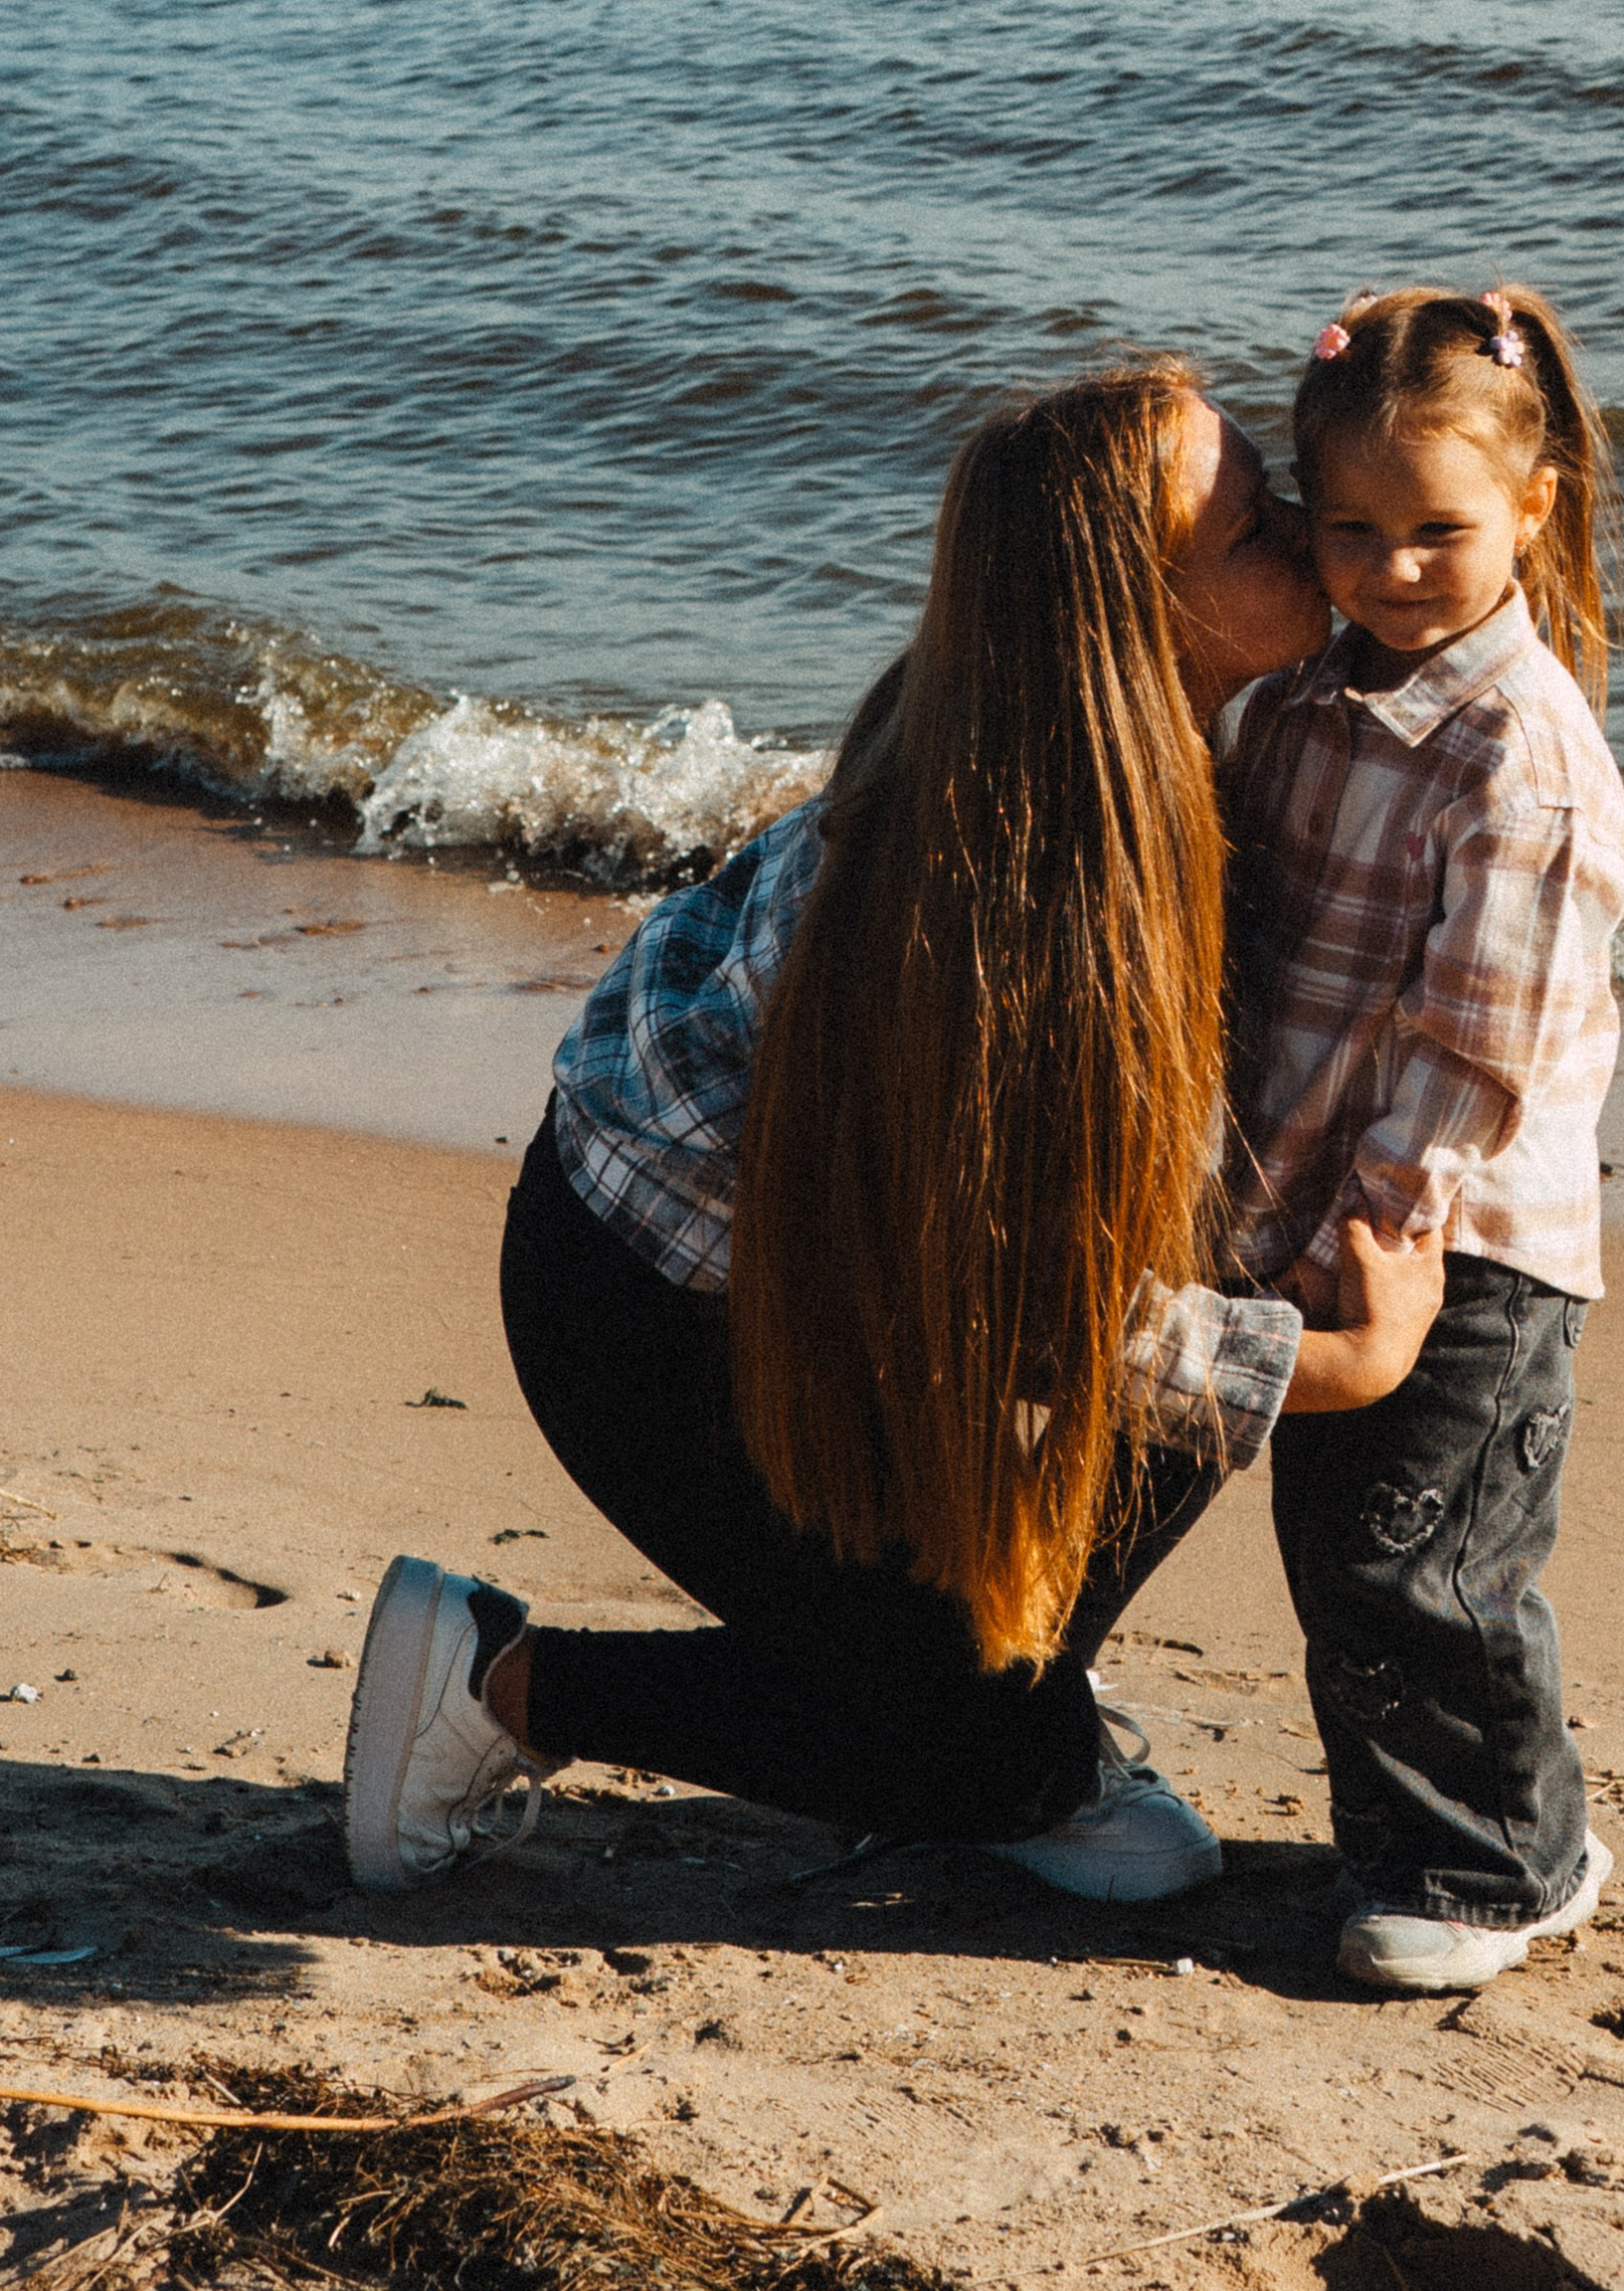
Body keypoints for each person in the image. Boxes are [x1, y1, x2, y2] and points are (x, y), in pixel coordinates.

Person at [344, 360, 1448, 1905]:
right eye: (1263, 527)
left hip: (833, 1285)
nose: (1322, 548)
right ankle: (497, 1679)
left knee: (1191, 1376)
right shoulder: (1002, 901)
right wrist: (1340, 1368)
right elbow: (1023, 1311)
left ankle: (1002, 1702)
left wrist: (1442, 357)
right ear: (1143, 616)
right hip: (648, 1320)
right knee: (981, 1754)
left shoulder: (1109, 763)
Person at [1220, 282, 1624, 1993]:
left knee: (1425, 1559)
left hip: (1449, 1238)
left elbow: (1478, 1051)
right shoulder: (1316, 696)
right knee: (1342, 1544)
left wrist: (1376, 1242)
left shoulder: (1521, 759)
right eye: (1352, 529)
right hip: (1310, 1199)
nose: (1393, 568)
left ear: (1531, 510)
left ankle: (1500, 1864)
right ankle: (1426, 1828)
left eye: (1438, 532)